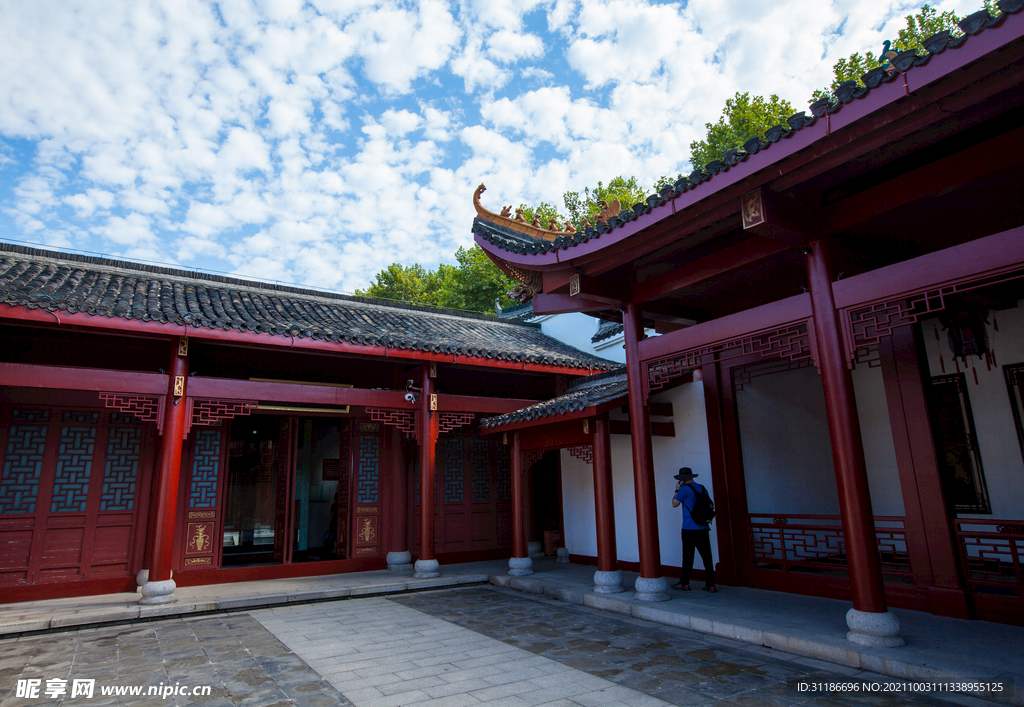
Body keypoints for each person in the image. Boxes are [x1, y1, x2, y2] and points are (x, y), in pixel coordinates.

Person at [671, 467, 716, 592]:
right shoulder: (702, 488)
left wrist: (677, 489)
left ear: (682, 479)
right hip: (703, 527)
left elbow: (674, 503)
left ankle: (685, 583)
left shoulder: (684, 489)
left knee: (688, 556)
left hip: (689, 528)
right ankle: (711, 584)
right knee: (707, 556)